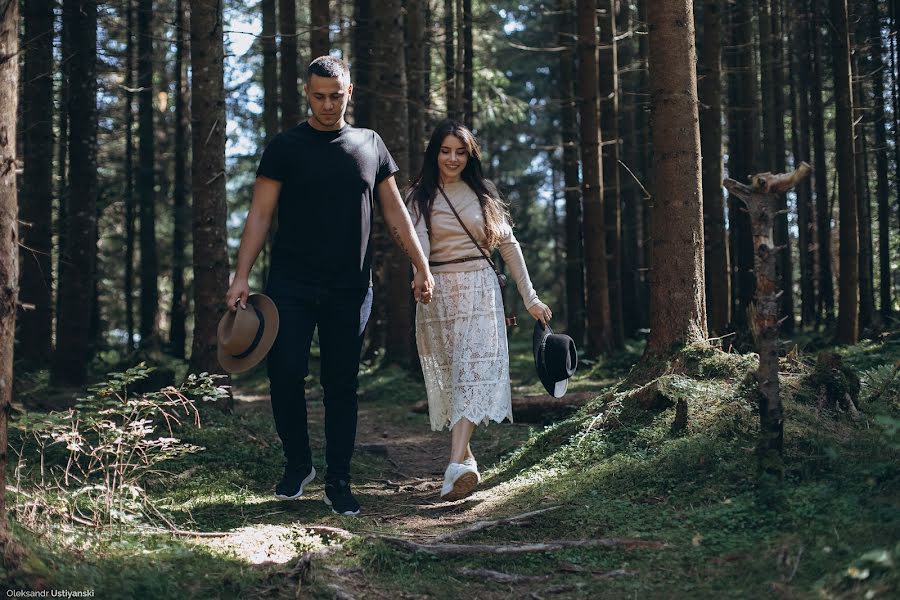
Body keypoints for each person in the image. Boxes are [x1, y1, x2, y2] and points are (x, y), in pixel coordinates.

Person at [225, 56, 434, 516]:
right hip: (290, 284)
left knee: (341, 384)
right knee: (284, 375)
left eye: (335, 96)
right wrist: (241, 274)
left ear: (350, 92)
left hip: (349, 287)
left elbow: (395, 211)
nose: (326, 104)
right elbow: (259, 215)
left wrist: (420, 264)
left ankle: (339, 479)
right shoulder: (284, 147)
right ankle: (298, 464)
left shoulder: (369, 144)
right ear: (307, 93)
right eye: (318, 96)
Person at [406, 120, 552, 501]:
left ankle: (454, 467)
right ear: (434, 152)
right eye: (445, 150)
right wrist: (421, 276)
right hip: (439, 294)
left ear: (470, 157)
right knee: (457, 378)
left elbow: (509, 247)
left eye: (460, 152)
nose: (452, 159)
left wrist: (530, 297)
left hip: (481, 290)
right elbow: (417, 243)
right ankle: (466, 462)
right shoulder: (419, 196)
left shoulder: (483, 193)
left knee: (474, 371)